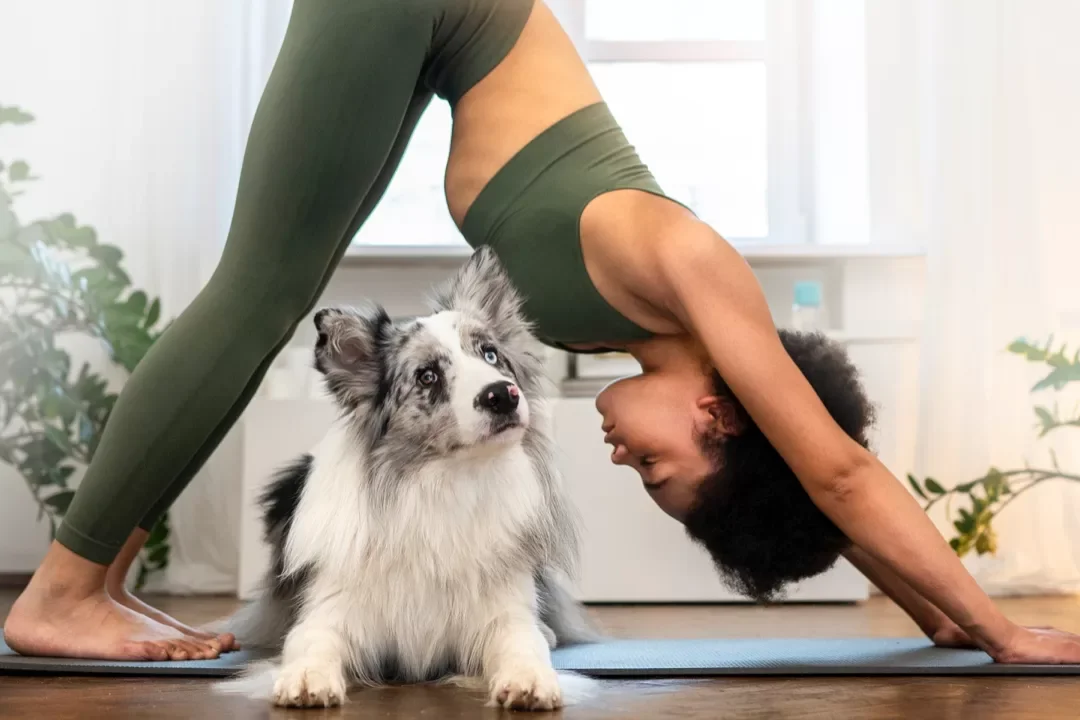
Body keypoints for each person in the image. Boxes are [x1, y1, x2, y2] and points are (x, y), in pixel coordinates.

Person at [4, 0, 1079, 664]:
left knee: (271, 291)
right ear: (718, 414)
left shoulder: (653, 337)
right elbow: (835, 468)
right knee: (259, 292)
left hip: (430, 36)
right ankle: (62, 593)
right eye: (657, 465)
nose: (622, 456)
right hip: (424, 10)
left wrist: (925, 611)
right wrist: (995, 625)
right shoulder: (692, 270)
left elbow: (807, 483)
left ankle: (93, 585)